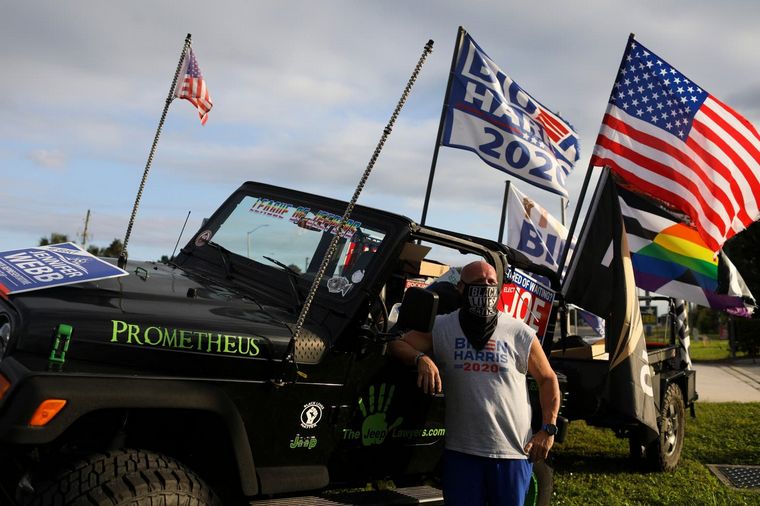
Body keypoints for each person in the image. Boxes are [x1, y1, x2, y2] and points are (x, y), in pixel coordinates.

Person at [390, 260, 560, 506]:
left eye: (491, 282)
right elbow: (397, 343)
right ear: (461, 288)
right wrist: (420, 358)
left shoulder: (518, 331)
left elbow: (547, 379)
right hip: (462, 454)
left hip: (512, 453)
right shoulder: (443, 327)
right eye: (479, 282)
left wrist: (548, 430)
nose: (486, 287)